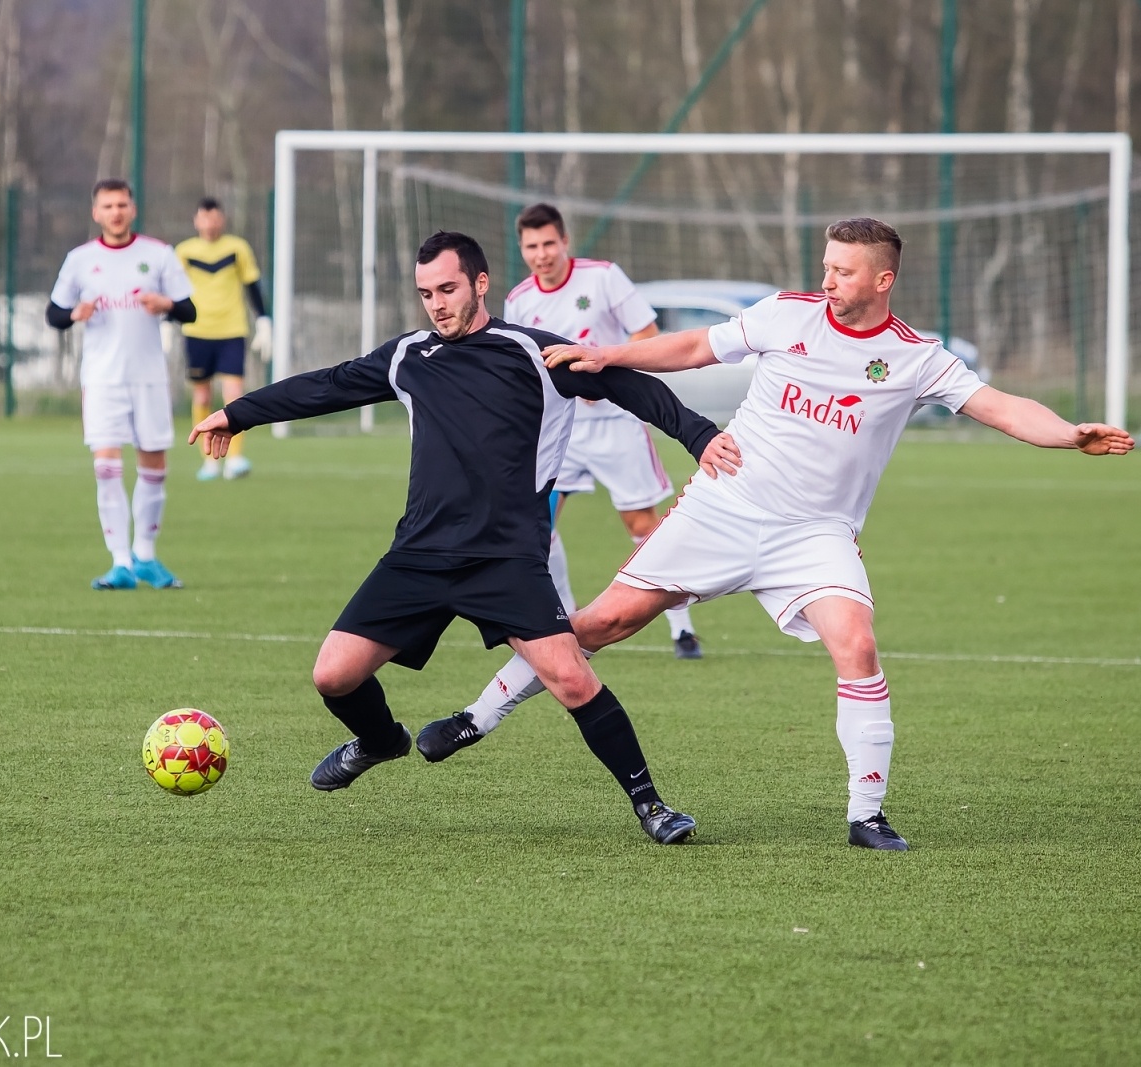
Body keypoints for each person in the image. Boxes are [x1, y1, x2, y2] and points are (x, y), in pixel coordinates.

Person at [416, 217, 1134, 850]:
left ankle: (867, 815)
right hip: (724, 507)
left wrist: (1070, 434)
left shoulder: (916, 356)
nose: (828, 280)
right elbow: (695, 347)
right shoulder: (788, 314)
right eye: (826, 266)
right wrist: (610, 356)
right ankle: (478, 715)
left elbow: (1000, 405)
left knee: (857, 644)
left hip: (815, 535)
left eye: (843, 271)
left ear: (883, 280)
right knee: (601, 623)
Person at [188, 231, 744, 844]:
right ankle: (380, 740)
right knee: (333, 676)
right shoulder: (408, 356)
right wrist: (237, 413)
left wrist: (697, 435)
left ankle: (652, 807)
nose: (437, 303)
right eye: (426, 293)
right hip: (418, 555)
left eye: (447, 289)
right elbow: (328, 384)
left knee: (571, 679)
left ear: (480, 283)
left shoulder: (533, 353)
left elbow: (627, 385)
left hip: (505, 558)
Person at [506, 203, 703, 659]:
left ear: (565, 241)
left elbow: (647, 333)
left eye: (549, 243)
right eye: (532, 246)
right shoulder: (518, 299)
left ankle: (682, 630)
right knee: (537, 524)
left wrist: (604, 371)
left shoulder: (602, 277)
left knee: (641, 525)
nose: (541, 254)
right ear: (522, 249)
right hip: (558, 429)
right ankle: (564, 623)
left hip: (616, 422)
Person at [47, 178, 196, 591]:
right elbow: (54, 314)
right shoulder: (80, 260)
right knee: (107, 468)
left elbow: (189, 310)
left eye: (122, 205)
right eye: (108, 206)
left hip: (148, 378)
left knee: (154, 466)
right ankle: (120, 563)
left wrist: (166, 304)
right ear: (96, 212)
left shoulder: (158, 254)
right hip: (102, 379)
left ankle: (145, 555)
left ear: (133, 209)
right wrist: (75, 313)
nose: (116, 212)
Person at [175, 197, 271, 481]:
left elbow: (252, 285)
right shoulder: (185, 251)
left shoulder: (237, 248)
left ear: (223, 219)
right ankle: (209, 461)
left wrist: (264, 320)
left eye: (215, 217)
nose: (211, 223)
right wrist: (167, 325)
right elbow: (174, 292)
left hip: (231, 330)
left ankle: (235, 457)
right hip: (197, 331)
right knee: (202, 394)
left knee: (234, 394)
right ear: (196, 221)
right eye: (205, 218)